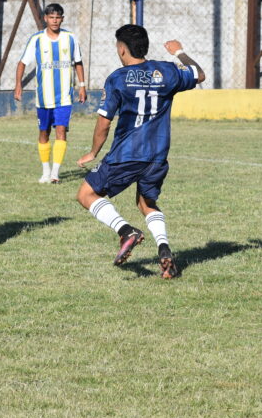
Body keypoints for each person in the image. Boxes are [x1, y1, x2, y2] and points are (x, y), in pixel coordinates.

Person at [76, 25, 205, 279]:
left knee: (86, 194)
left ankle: (126, 231)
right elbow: (199, 75)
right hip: (157, 155)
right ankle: (164, 249)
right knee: (146, 203)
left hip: (127, 153)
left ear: (122, 49)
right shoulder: (167, 71)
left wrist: (93, 152)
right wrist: (179, 52)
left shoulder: (118, 78)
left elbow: (104, 123)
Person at [13, 3, 87, 183]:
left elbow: (78, 62)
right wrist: (18, 85)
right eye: (51, 17)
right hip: (44, 98)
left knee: (61, 131)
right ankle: (45, 171)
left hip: (64, 96)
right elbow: (22, 63)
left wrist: (82, 85)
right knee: (44, 133)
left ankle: (55, 173)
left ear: (62, 19)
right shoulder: (37, 39)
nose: (54, 21)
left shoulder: (70, 38)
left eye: (58, 17)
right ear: (45, 18)